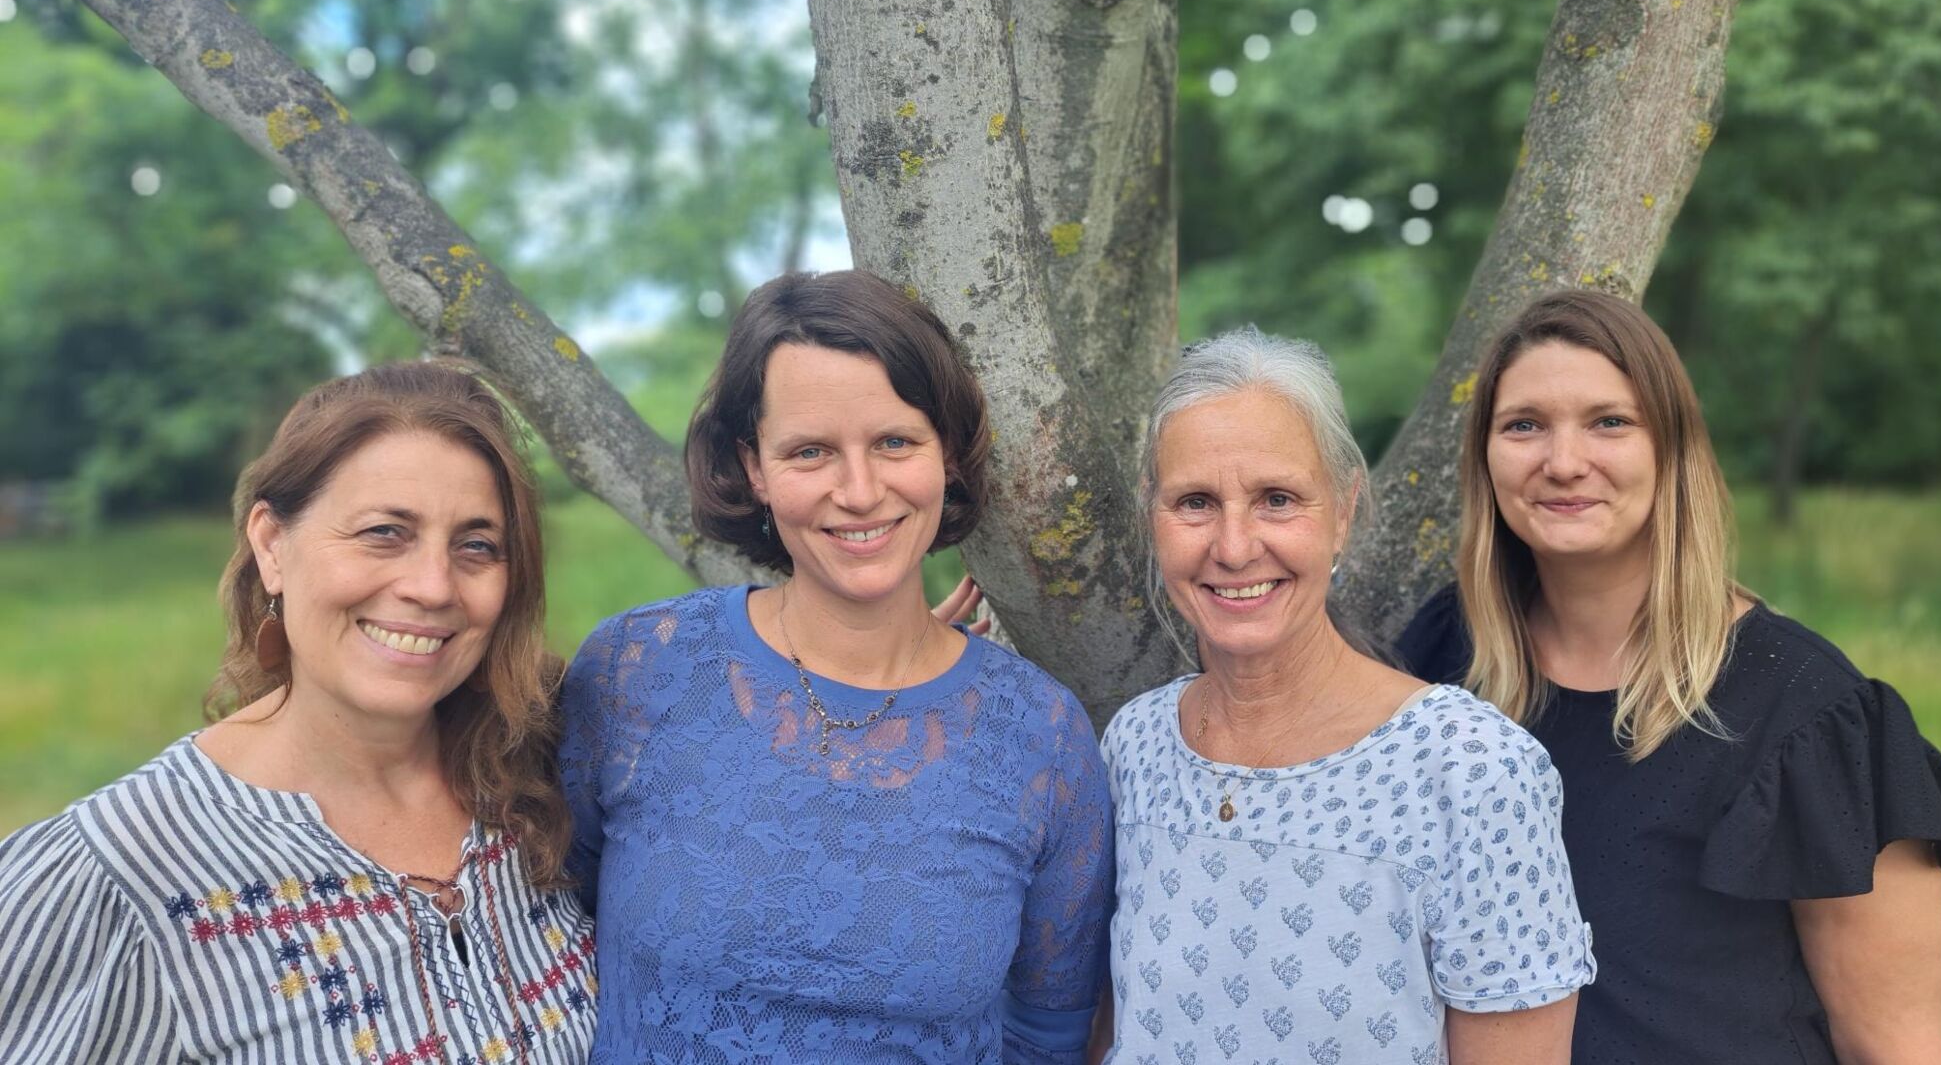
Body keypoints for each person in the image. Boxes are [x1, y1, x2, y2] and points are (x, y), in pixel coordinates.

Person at [1394, 290, 1941, 1063]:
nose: (1563, 462)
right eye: (1524, 425)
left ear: (1672, 448)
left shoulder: (1807, 710)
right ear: (1485, 457)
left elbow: (1894, 1049)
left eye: (1611, 422)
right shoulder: (1443, 656)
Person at [559, 269, 1112, 1062]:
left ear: (947, 453)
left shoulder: (1042, 737)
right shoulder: (636, 673)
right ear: (753, 467)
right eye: (810, 451)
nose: (859, 492)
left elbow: (1049, 1031)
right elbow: (542, 927)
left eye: (895, 441)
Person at [0, 363, 596, 1063]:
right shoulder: (119, 873)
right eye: (384, 532)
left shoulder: (540, 785)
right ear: (272, 546)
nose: (434, 587)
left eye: (476, 546)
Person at [1098, 329, 1593, 1064]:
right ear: (1153, 519)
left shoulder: (1473, 771)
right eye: (1195, 502)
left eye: (1277, 499)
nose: (1234, 547)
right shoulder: (1135, 745)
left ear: (1343, 510)